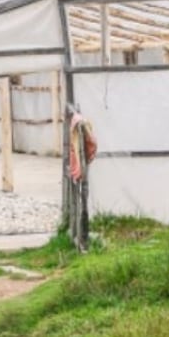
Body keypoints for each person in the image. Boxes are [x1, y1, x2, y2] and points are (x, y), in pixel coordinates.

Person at [65, 103, 99, 251]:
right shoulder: (77, 125)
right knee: (81, 198)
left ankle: (83, 237)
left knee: (82, 198)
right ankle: (81, 236)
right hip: (81, 168)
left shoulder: (79, 125)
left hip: (82, 168)